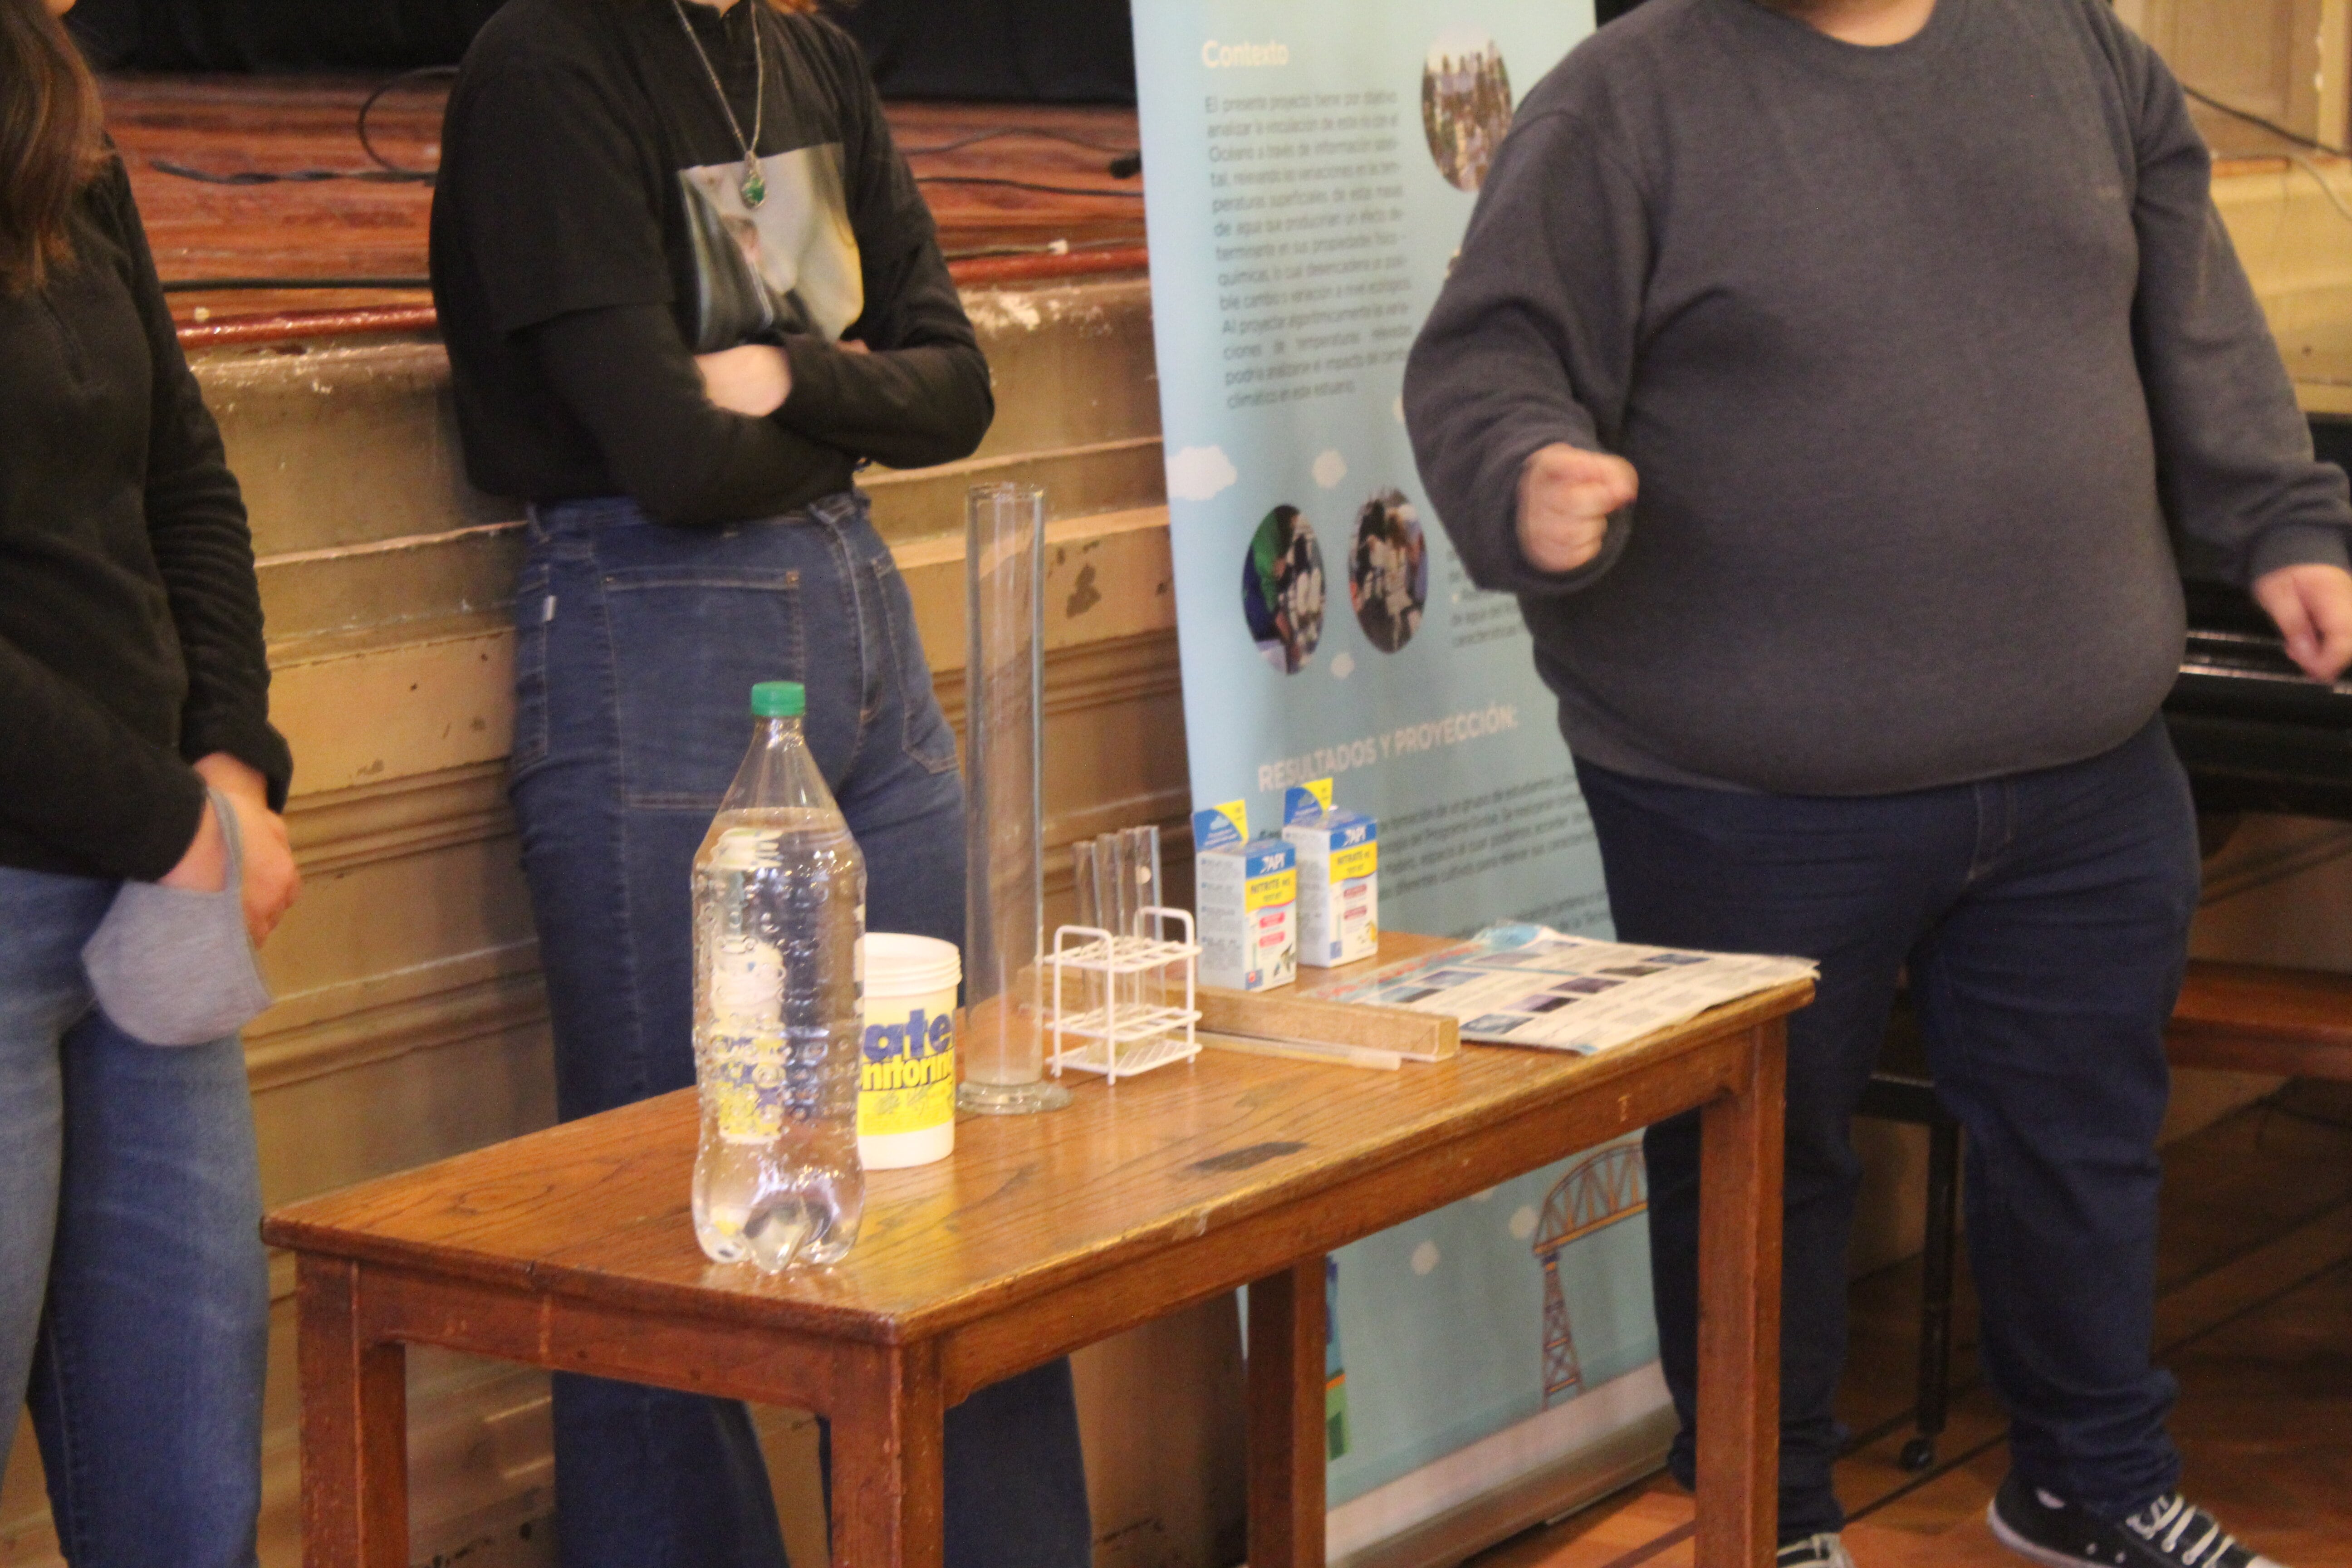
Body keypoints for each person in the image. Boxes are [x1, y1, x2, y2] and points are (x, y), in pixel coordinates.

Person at [1404, 2, 2352, 1566]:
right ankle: (1769, 1524)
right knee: (1762, 1175)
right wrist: (1525, 477)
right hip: (1742, 795)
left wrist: (2283, 524)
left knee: (2086, 1147)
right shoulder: (1622, 102)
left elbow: (2202, 330)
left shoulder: (2082, 53)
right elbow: (1490, 361)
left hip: (2087, 769)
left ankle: (2092, 1486)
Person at [427, 2, 1094, 1566]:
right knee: (662, 1211)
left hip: (859, 615)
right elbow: (676, 460)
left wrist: (783, 379)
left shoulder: (812, 58)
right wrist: (848, 400)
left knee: (951, 1167)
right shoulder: (551, 65)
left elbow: (961, 386)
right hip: (658, 624)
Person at [0, 0, 301, 1563]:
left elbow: (181, 472)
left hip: (153, 903)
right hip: (75, 874)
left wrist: (231, 760)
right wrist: (175, 820)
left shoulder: (54, 115)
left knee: (191, 1509)